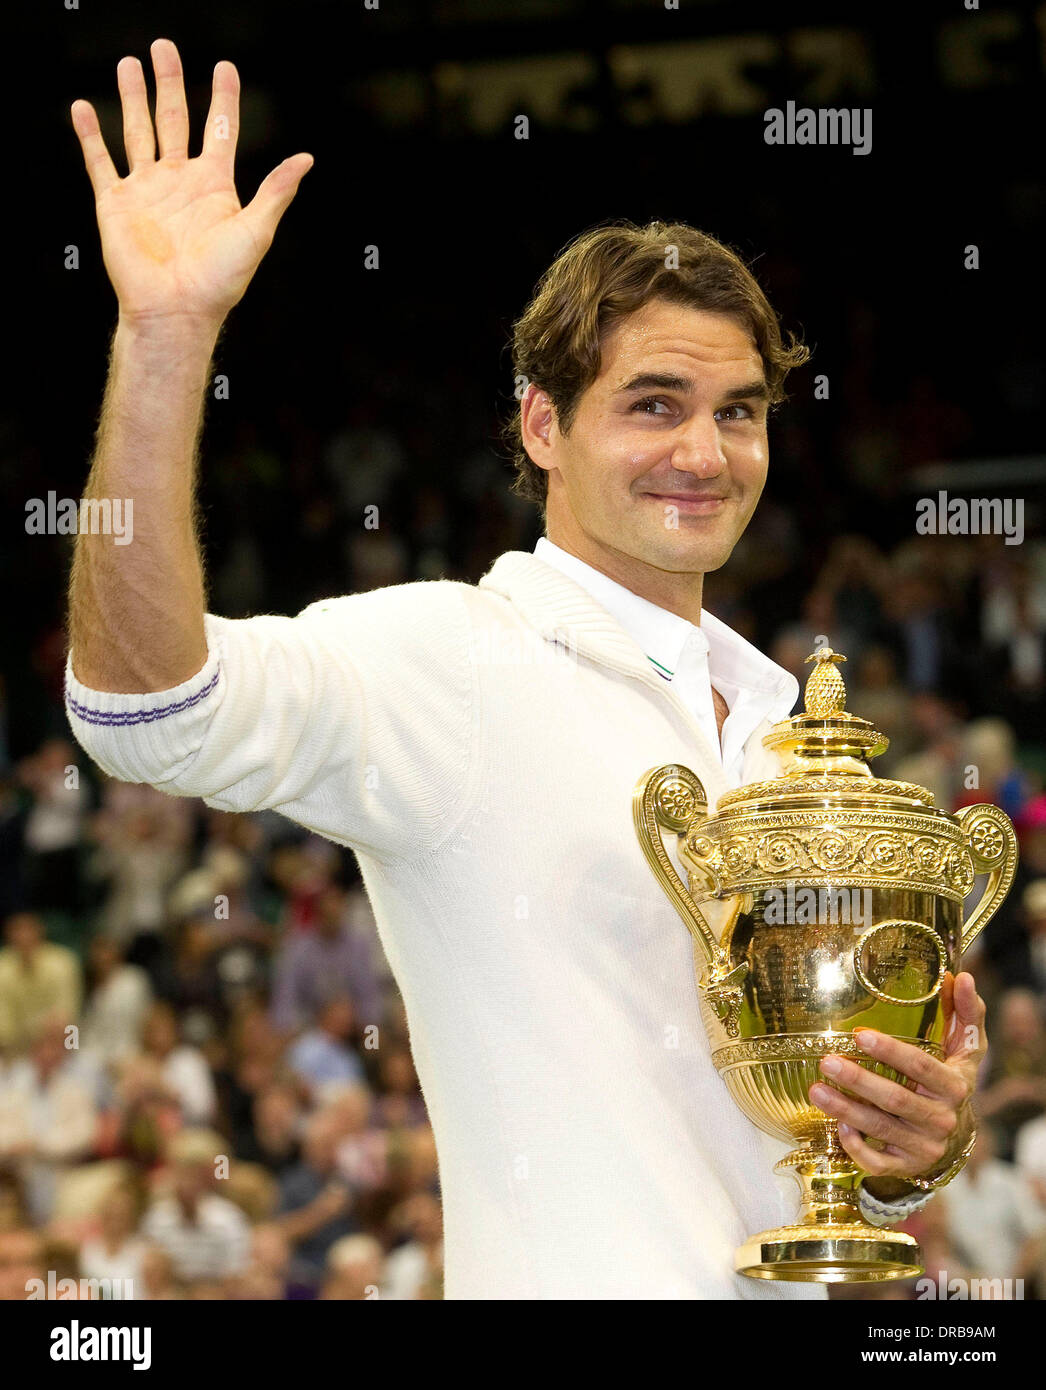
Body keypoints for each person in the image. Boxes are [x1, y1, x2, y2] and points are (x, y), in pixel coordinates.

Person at [64, 37, 986, 1299]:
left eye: (737, 409)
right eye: (652, 403)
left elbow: (831, 1151)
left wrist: (907, 1146)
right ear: (542, 425)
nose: (705, 453)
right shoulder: (447, 660)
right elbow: (145, 709)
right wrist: (165, 340)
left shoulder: (785, 729)